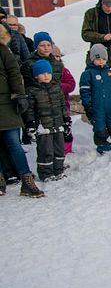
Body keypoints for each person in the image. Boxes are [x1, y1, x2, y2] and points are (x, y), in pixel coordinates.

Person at [0, 23, 44, 197]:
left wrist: (19, 94)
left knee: (13, 144)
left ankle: (26, 182)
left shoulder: (3, 50)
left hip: (6, 103)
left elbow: (14, 72)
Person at [23, 60, 68, 181]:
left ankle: (59, 170)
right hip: (43, 127)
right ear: (36, 76)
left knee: (59, 149)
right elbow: (30, 110)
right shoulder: (32, 91)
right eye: (43, 73)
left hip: (57, 124)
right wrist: (31, 123)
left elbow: (63, 105)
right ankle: (46, 173)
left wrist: (66, 120)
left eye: (49, 72)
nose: (47, 75)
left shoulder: (56, 88)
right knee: (45, 150)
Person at [79, 44, 111, 154]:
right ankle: (103, 149)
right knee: (100, 128)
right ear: (92, 59)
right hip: (97, 108)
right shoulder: (87, 74)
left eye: (104, 59)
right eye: (98, 59)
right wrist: (88, 106)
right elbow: (85, 92)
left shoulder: (110, 73)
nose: (101, 61)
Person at [51, 45, 76, 154]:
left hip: (63, 106)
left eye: (57, 56)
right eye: (53, 56)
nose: (55, 59)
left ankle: (67, 151)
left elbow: (71, 84)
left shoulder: (64, 70)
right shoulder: (44, 70)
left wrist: (59, 87)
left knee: (66, 129)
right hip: (49, 107)